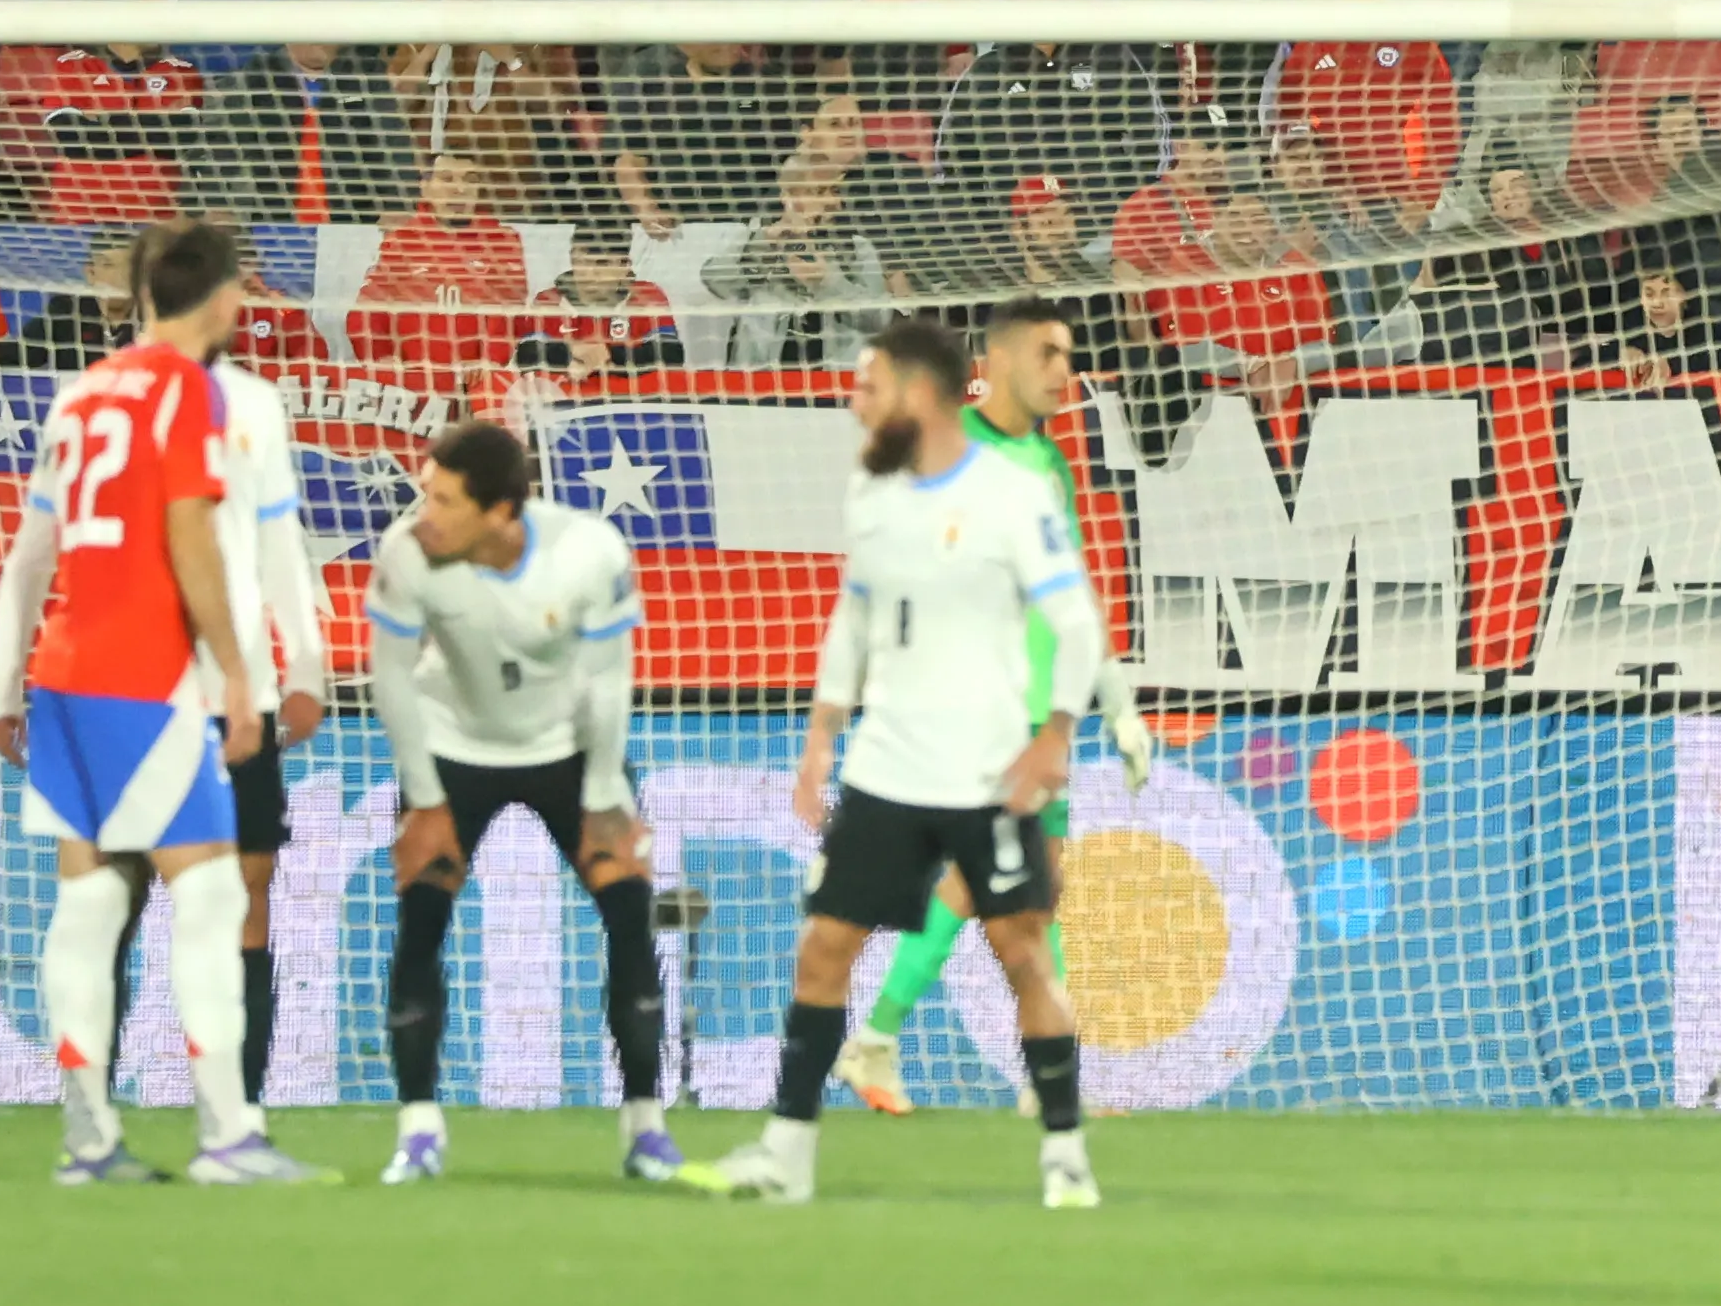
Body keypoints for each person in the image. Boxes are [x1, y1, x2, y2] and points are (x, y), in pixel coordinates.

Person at [684, 312, 1111, 1212]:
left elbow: (1076, 624)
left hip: (988, 772)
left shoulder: (1009, 492)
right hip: (885, 772)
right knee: (823, 949)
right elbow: (856, 616)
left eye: (867, 383)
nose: (854, 399)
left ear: (918, 392)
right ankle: (787, 1154)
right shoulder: (870, 495)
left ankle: (1066, 1158)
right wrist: (819, 735)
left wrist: (1054, 735)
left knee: (1023, 953)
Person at [0, 219, 311, 1184]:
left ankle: (88, 1140)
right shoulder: (189, 388)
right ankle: (230, 1137)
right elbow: (190, 540)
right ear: (222, 298)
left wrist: (6, 683)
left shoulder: (82, 392)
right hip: (147, 674)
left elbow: (34, 548)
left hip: (67, 669)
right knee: (209, 895)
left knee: (87, 906)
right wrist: (238, 676)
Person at [836, 298, 1165, 1118]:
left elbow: (1072, 590)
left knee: (1024, 885)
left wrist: (1115, 701)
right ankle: (886, 1038)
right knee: (987, 882)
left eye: (1072, 354)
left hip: (1040, 705)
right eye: (1052, 354)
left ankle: (1021, 1069)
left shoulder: (1046, 461)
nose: (1068, 372)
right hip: (985, 704)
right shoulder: (955, 453)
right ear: (1003, 357)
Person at [366, 417, 677, 1187]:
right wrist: (427, 798)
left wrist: (606, 794)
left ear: (501, 510)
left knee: (628, 912)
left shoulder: (588, 552)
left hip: (566, 748)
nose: (422, 513)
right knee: (422, 917)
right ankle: (418, 1129)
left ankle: (645, 1127)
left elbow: (609, 679)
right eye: (423, 493)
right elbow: (394, 677)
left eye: (443, 499)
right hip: (451, 742)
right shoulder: (408, 554)